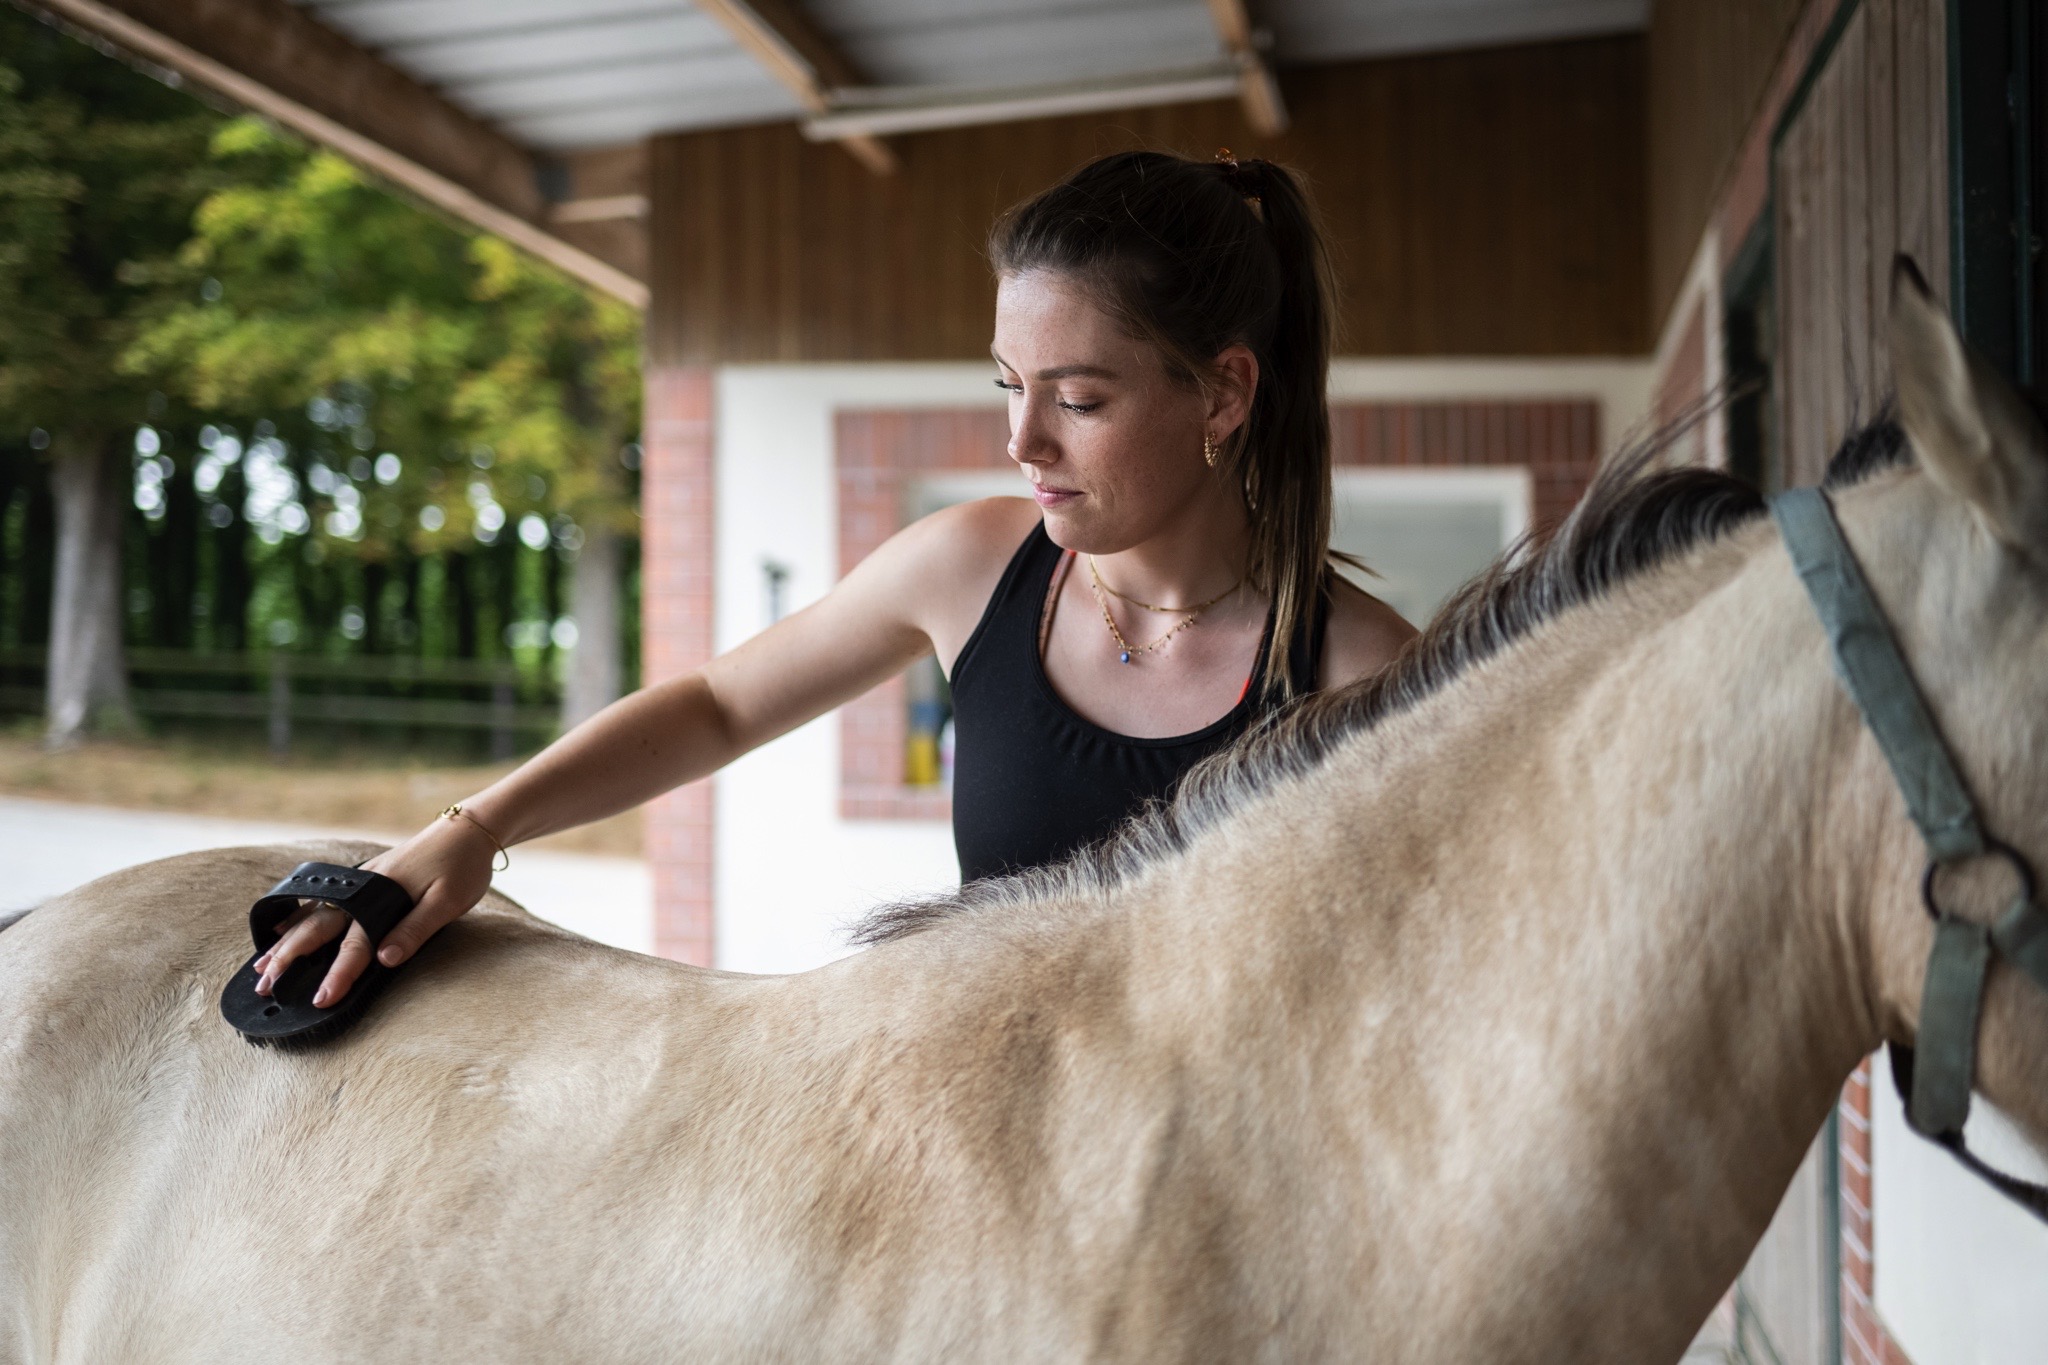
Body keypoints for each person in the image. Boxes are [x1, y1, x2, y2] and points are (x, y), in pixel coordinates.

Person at [253, 149, 1417, 1008]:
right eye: (1008, 386)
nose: (1022, 442)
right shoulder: (974, 566)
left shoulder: (1371, 679)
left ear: (1221, 392)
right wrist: (473, 829)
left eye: (1077, 399)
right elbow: (716, 706)